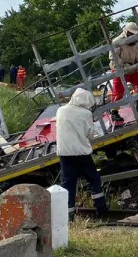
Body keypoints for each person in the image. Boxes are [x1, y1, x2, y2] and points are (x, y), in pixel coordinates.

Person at [55, 87, 108, 219]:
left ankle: (69, 214)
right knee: (93, 178)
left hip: (65, 154)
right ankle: (100, 207)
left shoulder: (61, 110)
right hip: (81, 153)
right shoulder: (86, 113)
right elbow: (90, 134)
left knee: (68, 184)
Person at [108, 22, 138, 123]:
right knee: (118, 92)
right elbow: (113, 57)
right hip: (119, 70)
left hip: (131, 68)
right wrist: (123, 65)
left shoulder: (135, 42)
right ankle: (114, 113)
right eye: (132, 34)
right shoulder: (117, 41)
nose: (133, 37)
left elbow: (136, 54)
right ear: (126, 32)